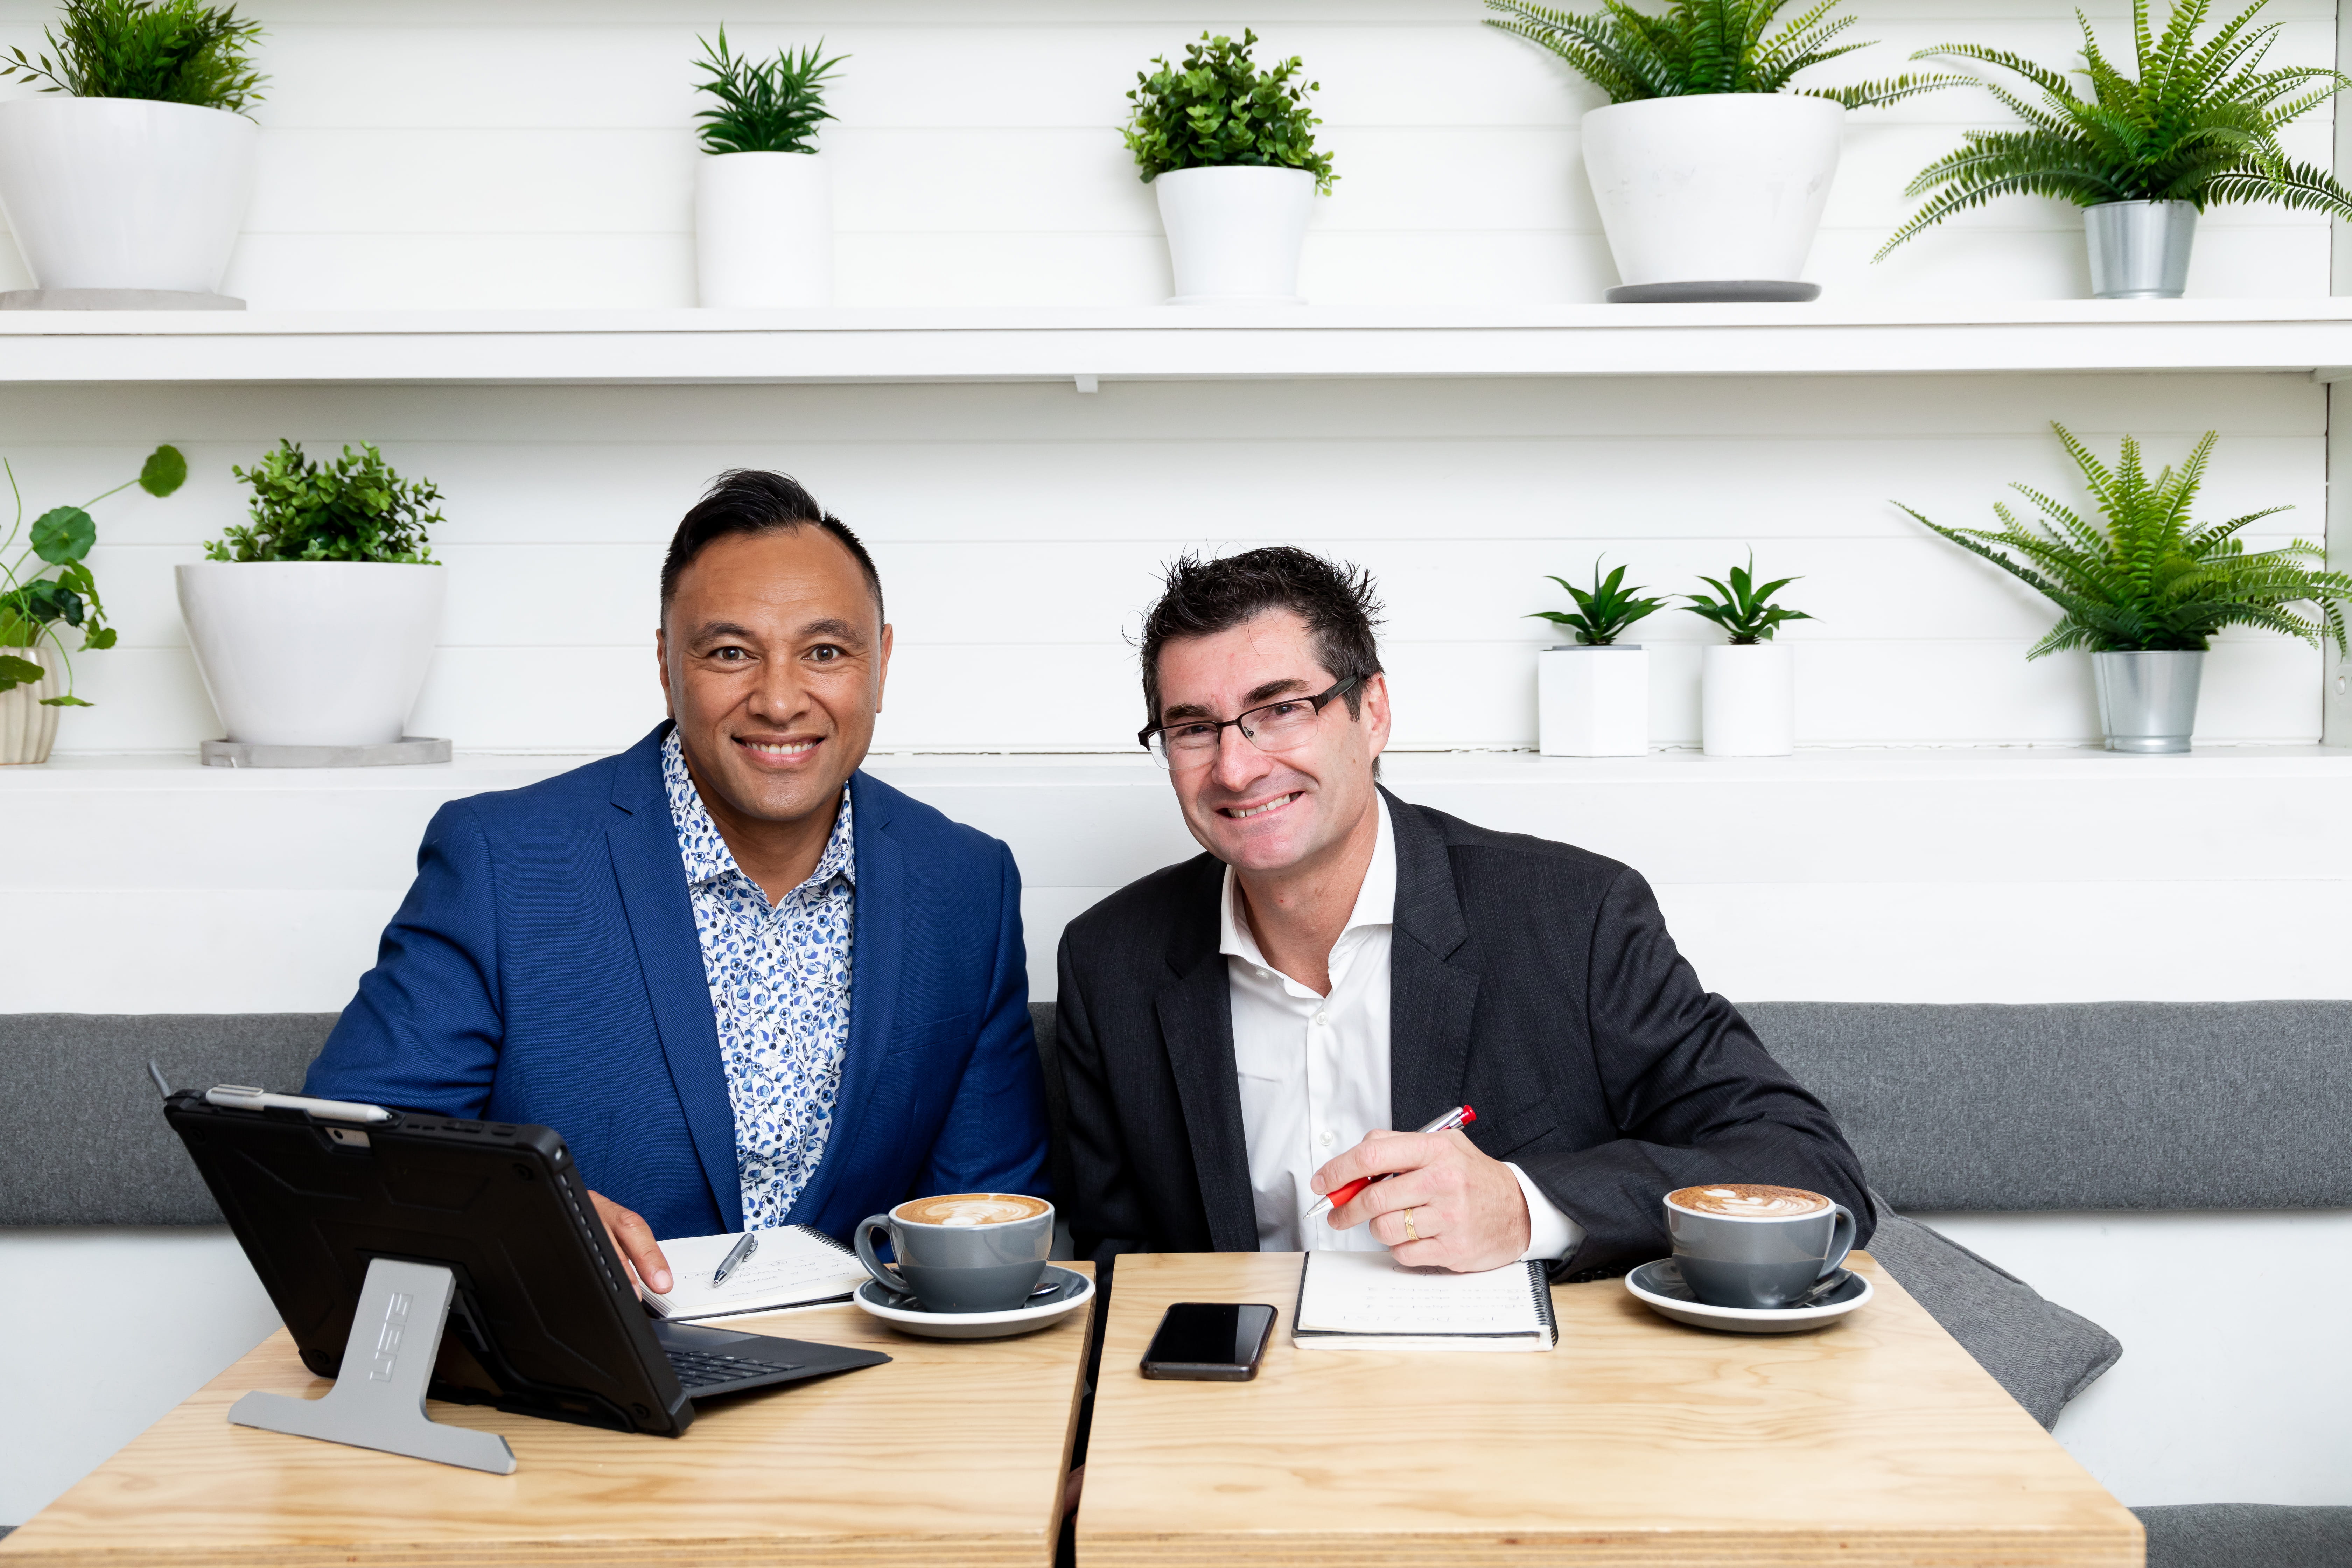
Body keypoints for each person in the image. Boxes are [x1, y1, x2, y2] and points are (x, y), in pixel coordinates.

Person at [307, 470, 1049, 1297]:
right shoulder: (502, 862)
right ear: (667, 663)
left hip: (870, 1387)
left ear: (880, 666)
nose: (778, 698)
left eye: (827, 652)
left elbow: (991, 1215)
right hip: (591, 1379)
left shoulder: (967, 884)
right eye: (730, 652)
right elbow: (348, 1151)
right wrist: (533, 1224)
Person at [1055, 547, 1870, 1278]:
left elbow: (1809, 1172)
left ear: (1371, 711)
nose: (1236, 766)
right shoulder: (1111, 961)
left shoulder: (1574, 918)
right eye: (1194, 728)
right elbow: (1121, 1265)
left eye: (1281, 709)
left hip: (1519, 1411)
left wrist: (1524, 1207)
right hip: (1246, 1411)